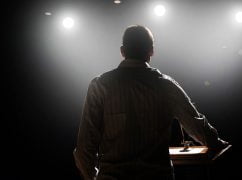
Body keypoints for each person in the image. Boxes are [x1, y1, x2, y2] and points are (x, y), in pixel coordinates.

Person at [74, 25, 228, 180]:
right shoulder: (165, 85)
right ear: (151, 51)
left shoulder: (99, 86)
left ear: (122, 51)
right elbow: (198, 127)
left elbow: (83, 151)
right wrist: (219, 144)